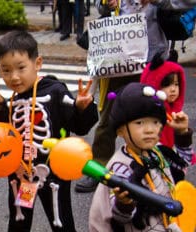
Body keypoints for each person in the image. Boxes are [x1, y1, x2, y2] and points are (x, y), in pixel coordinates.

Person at [0, 30, 98, 232]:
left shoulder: (55, 92)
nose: (14, 77)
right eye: (6, 70)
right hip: (21, 176)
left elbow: (80, 127)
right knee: (18, 226)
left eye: (21, 68)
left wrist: (83, 107)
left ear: (38, 63)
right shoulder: (12, 100)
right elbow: (0, 136)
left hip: (53, 176)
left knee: (62, 224)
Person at [74, 0, 195, 193]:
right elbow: (99, 4)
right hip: (117, 59)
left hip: (152, 59)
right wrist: (106, 4)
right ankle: (98, 168)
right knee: (108, 117)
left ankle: (158, 167)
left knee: (157, 116)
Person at [88, 82, 193, 232]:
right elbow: (121, 217)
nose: (150, 130)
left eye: (155, 122)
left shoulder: (157, 153)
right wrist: (125, 203)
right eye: (140, 123)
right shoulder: (120, 166)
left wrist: (182, 135)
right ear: (121, 130)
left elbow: (180, 170)